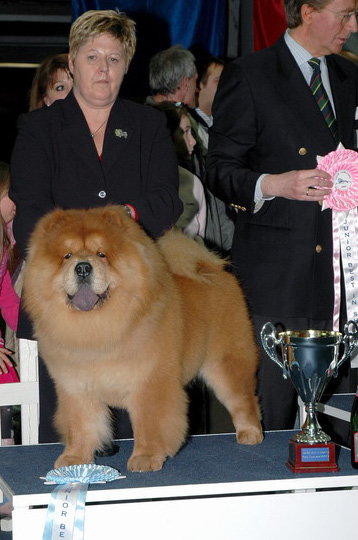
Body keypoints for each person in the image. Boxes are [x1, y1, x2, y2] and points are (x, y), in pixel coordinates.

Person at [10, 9, 183, 444]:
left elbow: (168, 201)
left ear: (127, 65)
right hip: (61, 313)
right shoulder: (37, 128)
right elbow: (29, 212)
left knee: (137, 441)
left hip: (136, 314)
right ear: (71, 61)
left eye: (114, 58)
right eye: (92, 57)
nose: (103, 69)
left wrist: (125, 218)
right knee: (69, 439)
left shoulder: (148, 125)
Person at [206, 0, 358, 431]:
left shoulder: (351, 77)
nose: (353, 25)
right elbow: (219, 168)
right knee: (268, 420)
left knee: (341, 418)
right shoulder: (251, 74)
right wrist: (274, 184)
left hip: (342, 282)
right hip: (278, 281)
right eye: (345, 13)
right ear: (307, 12)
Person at [156, 102, 207, 241]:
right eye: (184, 131)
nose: (193, 141)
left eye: (191, 132)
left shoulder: (192, 182)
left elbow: (200, 234)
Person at [0, 162, 20, 446]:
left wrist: (34, 325)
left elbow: (6, 297)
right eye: (10, 193)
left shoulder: (5, 244)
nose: (17, 201)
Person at [190, 55, 225, 152]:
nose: (225, 86)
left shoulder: (226, 122)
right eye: (218, 81)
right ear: (199, 84)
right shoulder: (188, 126)